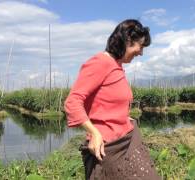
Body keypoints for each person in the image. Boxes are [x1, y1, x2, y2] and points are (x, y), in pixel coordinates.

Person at [64, 19, 161, 180]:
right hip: (109, 146)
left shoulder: (117, 66)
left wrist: (123, 117)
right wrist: (93, 133)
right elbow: (72, 102)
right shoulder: (100, 63)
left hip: (127, 138)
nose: (141, 52)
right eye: (141, 46)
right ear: (128, 40)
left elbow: (108, 102)